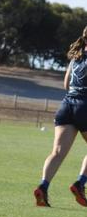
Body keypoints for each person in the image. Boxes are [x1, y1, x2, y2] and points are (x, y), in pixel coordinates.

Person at [34, 26, 87, 207]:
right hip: (85, 106)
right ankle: (80, 183)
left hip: (66, 105)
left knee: (57, 153)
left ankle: (43, 186)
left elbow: (66, 84)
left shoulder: (76, 57)